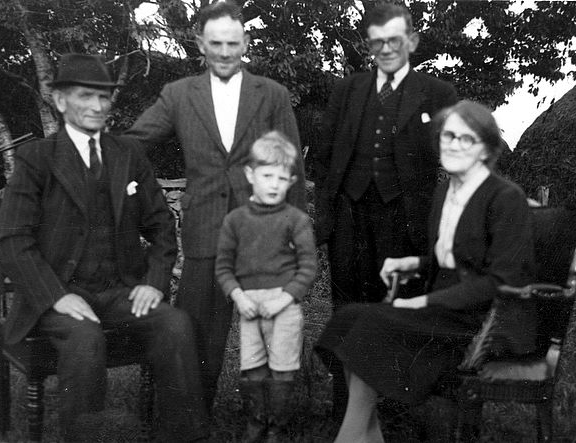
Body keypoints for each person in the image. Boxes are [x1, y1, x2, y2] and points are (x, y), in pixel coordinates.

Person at [0, 53, 208, 442]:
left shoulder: (128, 154)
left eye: (104, 98)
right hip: (59, 294)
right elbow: (11, 239)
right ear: (59, 101)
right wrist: (55, 297)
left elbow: (162, 226)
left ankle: (185, 435)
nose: (96, 107)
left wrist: (155, 283)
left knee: (176, 324)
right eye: (85, 96)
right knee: (84, 336)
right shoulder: (37, 158)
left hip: (117, 290)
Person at [315, 100, 538, 442]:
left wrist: (422, 302)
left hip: (488, 320)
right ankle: (367, 435)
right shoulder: (445, 192)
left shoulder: (505, 197)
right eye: (447, 135)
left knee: (373, 324)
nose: (452, 144)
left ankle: (350, 437)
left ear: (487, 150)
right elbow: (455, 259)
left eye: (467, 139)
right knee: (350, 318)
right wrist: (415, 264)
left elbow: (502, 279)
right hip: (447, 310)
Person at [125, 0, 305, 410]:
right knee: (195, 334)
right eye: (216, 43)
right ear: (200, 43)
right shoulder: (178, 94)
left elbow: (292, 161)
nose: (225, 52)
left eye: (233, 43)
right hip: (206, 230)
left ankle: (265, 421)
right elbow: (134, 143)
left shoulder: (272, 95)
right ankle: (192, 421)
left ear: (245, 42)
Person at [310, 1, 458, 417]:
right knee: (348, 312)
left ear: (410, 40)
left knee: (396, 312)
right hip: (349, 219)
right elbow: (323, 154)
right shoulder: (348, 90)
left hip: (404, 221)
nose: (386, 49)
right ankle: (347, 412)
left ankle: (393, 411)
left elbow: (460, 151)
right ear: (368, 45)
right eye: (377, 42)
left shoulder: (436, 92)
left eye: (395, 40)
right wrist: (327, 212)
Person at [215, 131, 317, 442]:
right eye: (267, 175)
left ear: (291, 181)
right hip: (248, 304)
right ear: (250, 175)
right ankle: (257, 422)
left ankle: (277, 427)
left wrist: (285, 298)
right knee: (253, 368)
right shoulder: (235, 220)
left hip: (283, 305)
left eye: (282, 178)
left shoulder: (295, 220)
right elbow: (223, 267)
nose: (274, 184)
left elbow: (308, 267)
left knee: (282, 368)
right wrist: (237, 295)